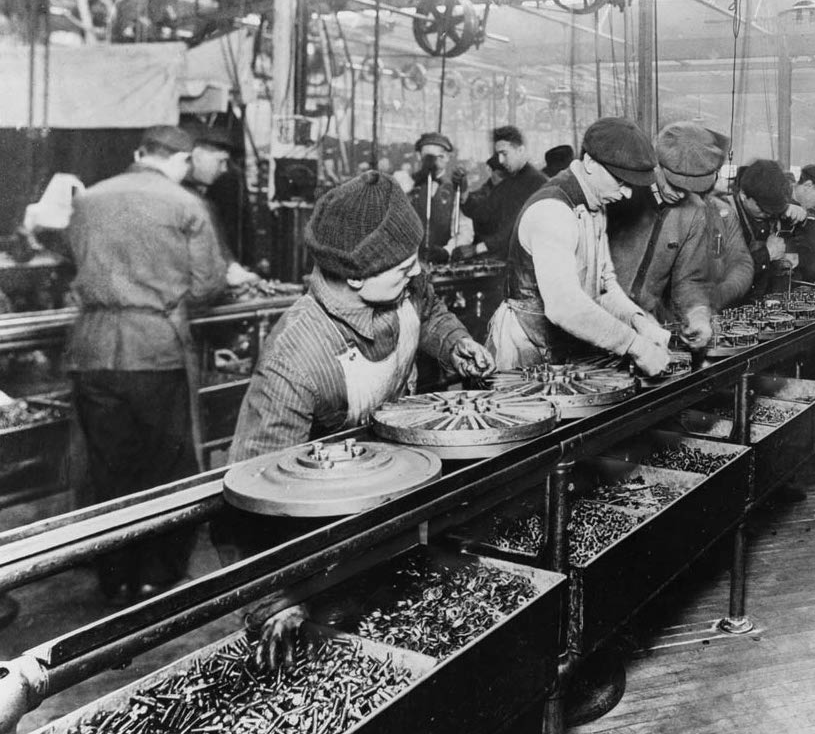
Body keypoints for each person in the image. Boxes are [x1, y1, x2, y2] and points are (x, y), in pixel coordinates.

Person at [220, 170, 495, 667]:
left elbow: (429, 313)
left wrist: (456, 345)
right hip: (324, 542)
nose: (414, 275)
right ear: (354, 277)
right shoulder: (296, 357)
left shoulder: (401, 277)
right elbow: (251, 497)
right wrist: (277, 600)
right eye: (402, 269)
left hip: (396, 498)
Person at [66, 125, 228, 604]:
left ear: (140, 155)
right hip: (154, 350)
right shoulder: (185, 204)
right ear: (181, 161)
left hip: (91, 347)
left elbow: (72, 260)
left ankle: (114, 575)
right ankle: (156, 573)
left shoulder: (88, 199)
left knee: (109, 467)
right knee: (164, 465)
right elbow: (207, 285)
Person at [486, 116, 671, 376]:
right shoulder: (552, 210)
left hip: (562, 349)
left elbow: (605, 286)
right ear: (591, 164)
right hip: (526, 350)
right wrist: (636, 346)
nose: (627, 193)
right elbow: (565, 307)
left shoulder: (596, 205)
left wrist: (638, 321)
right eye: (621, 181)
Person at [608, 121, 718, 346]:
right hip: (600, 320)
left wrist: (697, 314)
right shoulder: (618, 194)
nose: (680, 194)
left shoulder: (695, 211)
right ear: (656, 164)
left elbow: (689, 280)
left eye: (689, 188)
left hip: (647, 329)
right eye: (674, 183)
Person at [455, 125, 547, 261]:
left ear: (520, 150)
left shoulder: (536, 183)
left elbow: (514, 229)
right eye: (498, 155)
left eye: (504, 154)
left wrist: (477, 249)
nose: (500, 161)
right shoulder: (508, 182)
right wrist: (463, 189)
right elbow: (483, 213)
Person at [184, 129, 258, 286]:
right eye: (220, 161)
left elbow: (217, 244)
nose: (224, 169)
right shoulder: (182, 199)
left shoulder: (201, 198)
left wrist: (233, 268)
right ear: (197, 157)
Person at [726, 159, 793, 298]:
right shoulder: (723, 215)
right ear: (744, 195)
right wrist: (767, 254)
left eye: (773, 210)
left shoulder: (771, 210)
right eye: (763, 209)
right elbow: (722, 274)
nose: (768, 214)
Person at [408, 132, 473, 263]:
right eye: (428, 157)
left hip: (441, 263)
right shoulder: (408, 186)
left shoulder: (455, 189)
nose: (434, 161)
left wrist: (447, 250)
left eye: (440, 156)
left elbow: (465, 230)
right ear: (419, 156)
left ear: (448, 157)